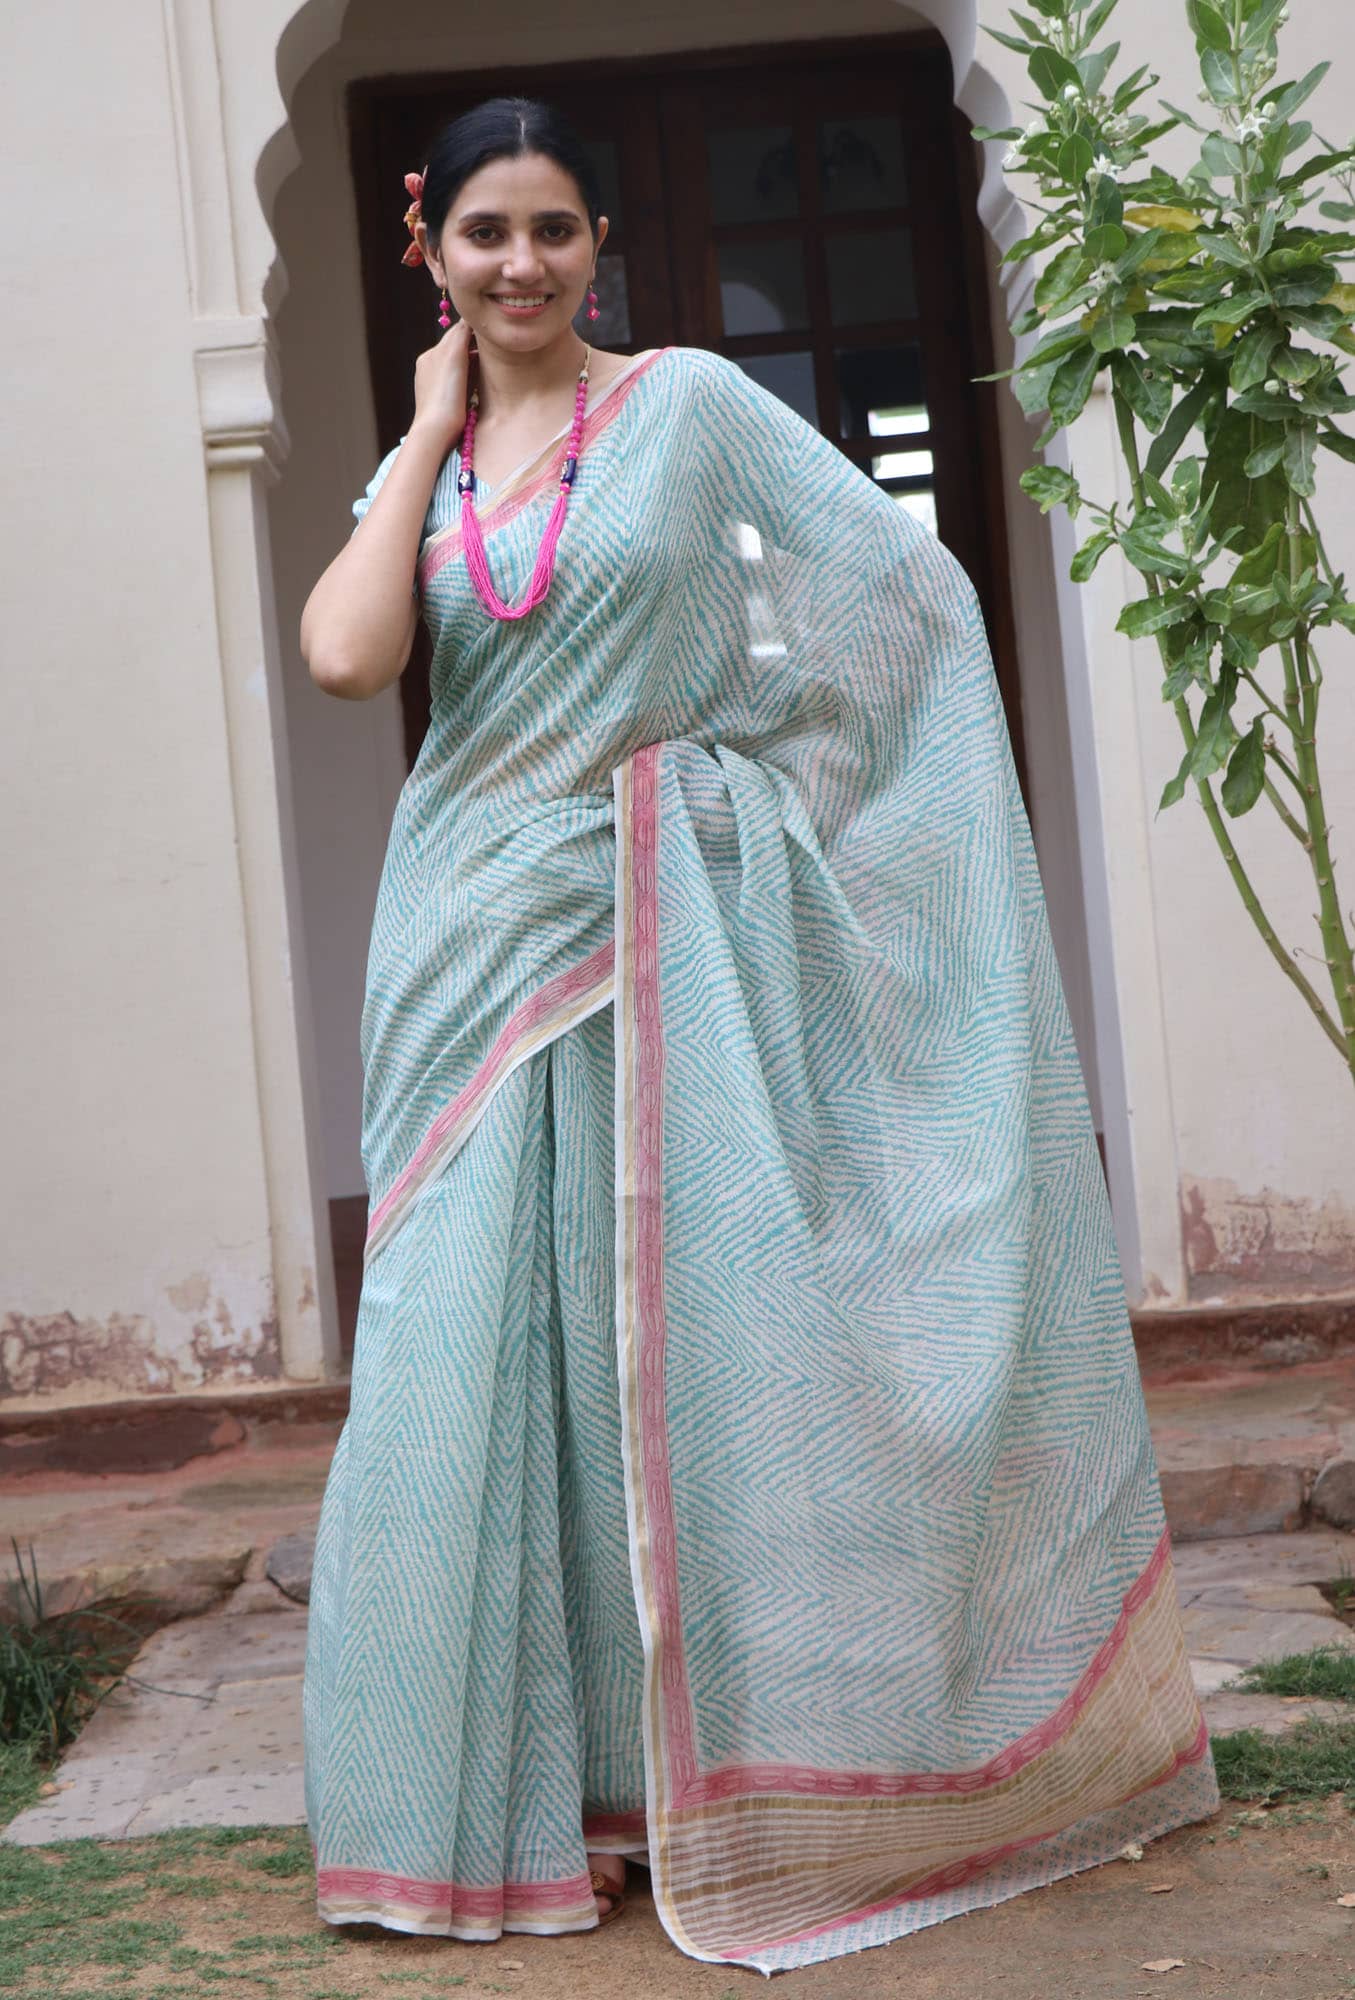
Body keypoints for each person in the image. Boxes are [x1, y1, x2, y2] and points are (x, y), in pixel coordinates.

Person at [298, 93, 1218, 1975]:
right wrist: (428, 428)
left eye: (555, 228)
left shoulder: (691, 408)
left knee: (640, 1349)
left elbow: (905, 598)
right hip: (461, 944)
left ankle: (658, 1786)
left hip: (645, 929)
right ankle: (485, 1807)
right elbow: (349, 655)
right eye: (486, 232)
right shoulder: (436, 463)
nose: (522, 264)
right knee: (460, 1350)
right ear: (431, 249)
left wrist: (738, 797)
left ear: (598, 245)